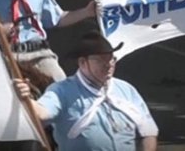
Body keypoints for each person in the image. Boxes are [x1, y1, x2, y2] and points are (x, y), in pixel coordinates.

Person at [13, 31, 159, 151]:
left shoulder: (126, 89)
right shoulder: (62, 90)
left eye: (111, 59)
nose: (108, 65)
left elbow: (148, 131)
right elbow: (41, 113)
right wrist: (26, 98)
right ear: (83, 63)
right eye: (100, 60)